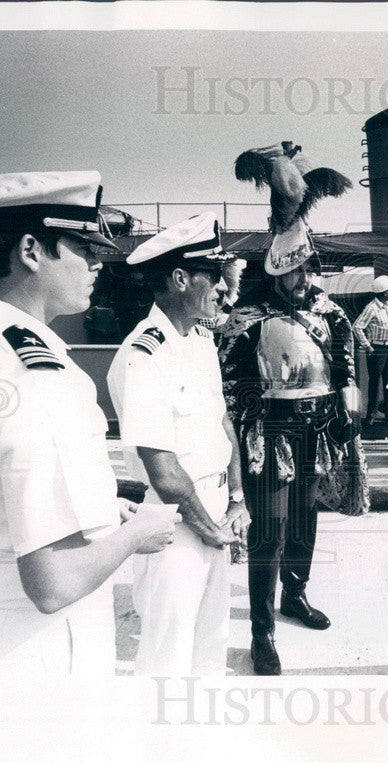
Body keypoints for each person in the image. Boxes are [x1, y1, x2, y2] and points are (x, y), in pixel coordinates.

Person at [0, 171, 175, 673]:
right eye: (82, 246)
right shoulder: (37, 375)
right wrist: (138, 534)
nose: (98, 261)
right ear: (31, 250)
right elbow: (52, 583)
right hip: (33, 651)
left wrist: (98, 507)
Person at [108, 212, 250, 676]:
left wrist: (237, 499)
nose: (224, 289)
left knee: (212, 648)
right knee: (167, 661)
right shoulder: (143, 355)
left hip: (212, 513)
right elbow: (164, 472)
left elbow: (222, 423)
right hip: (172, 525)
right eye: (213, 276)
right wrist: (210, 528)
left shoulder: (200, 343)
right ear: (180, 278)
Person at [217, 228, 360, 677]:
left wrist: (349, 408)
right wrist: (253, 406)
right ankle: (262, 631)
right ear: (276, 272)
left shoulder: (329, 311)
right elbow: (228, 378)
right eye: (294, 270)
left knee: (304, 520)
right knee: (270, 531)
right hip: (270, 431)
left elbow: (345, 365)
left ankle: (294, 595)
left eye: (308, 268)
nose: (304, 278)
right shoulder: (248, 315)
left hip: (317, 429)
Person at [352, 275, 388, 429]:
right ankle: (371, 415)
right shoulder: (372, 308)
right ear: (383, 292)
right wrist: (367, 346)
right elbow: (357, 326)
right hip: (377, 349)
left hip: (387, 348)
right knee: (375, 382)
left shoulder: (386, 305)